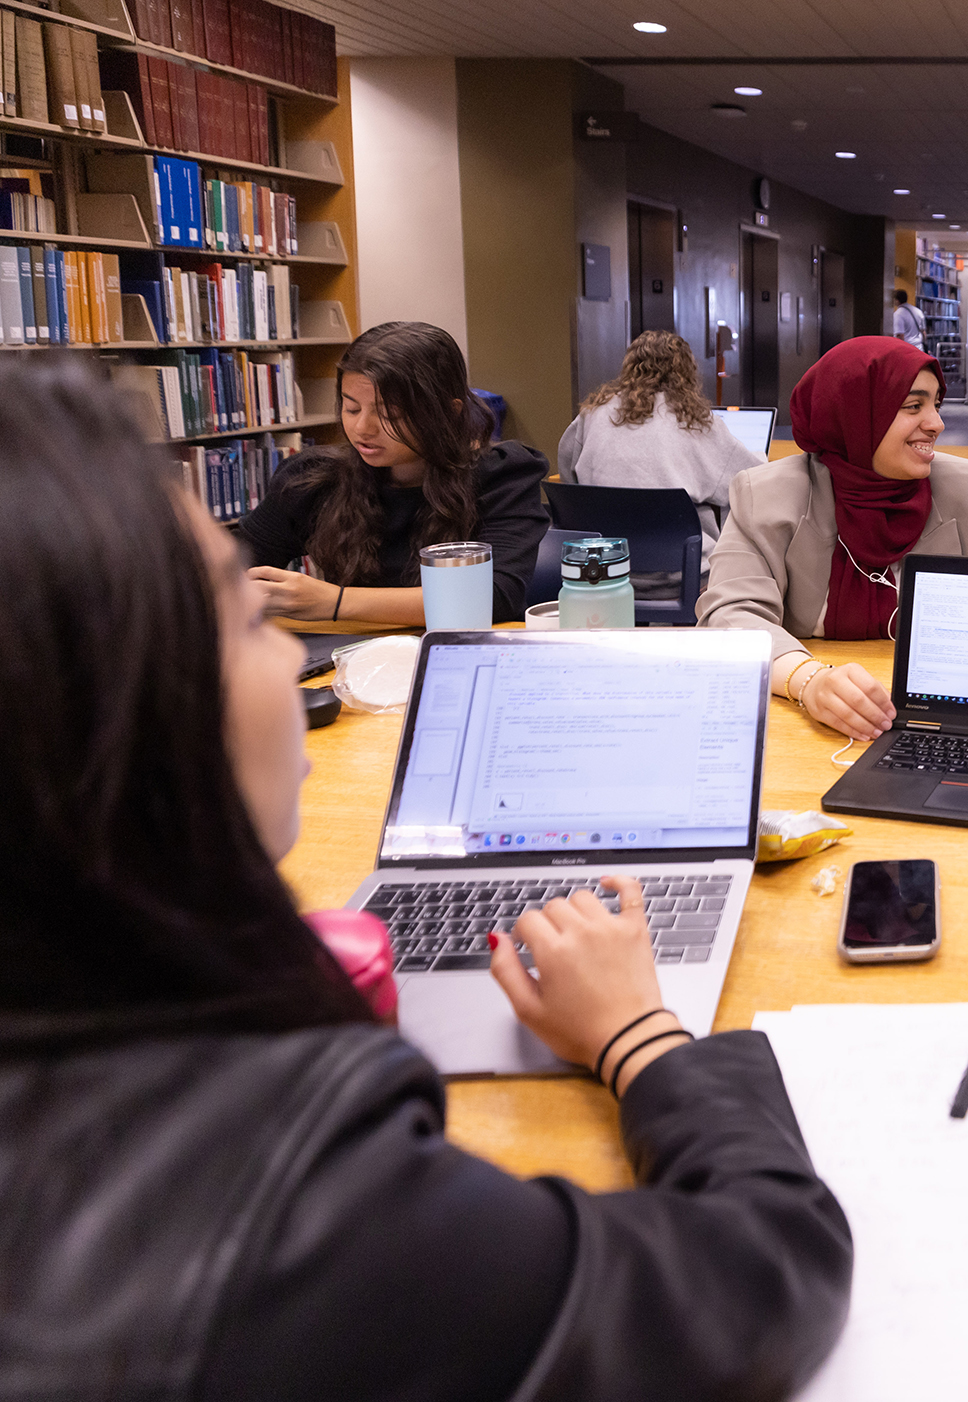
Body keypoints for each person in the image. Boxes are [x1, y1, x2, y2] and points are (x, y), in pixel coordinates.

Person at [0, 359, 851, 1397]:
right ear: (120, 703)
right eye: (250, 619)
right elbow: (755, 1279)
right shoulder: (292, 1206)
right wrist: (641, 1034)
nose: (293, 670)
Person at [698, 336, 968, 741]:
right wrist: (808, 681)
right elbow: (730, 615)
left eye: (936, 404)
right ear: (855, 415)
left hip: (951, 720)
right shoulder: (768, 495)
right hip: (806, 727)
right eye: (913, 406)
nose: (936, 423)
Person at [236, 321, 549, 624]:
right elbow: (228, 573)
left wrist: (335, 601)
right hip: (349, 663)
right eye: (352, 408)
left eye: (389, 414)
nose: (362, 428)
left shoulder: (504, 476)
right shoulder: (311, 477)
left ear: (449, 412)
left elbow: (491, 596)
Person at [556, 330, 764, 584]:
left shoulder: (593, 415)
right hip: (683, 575)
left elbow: (569, 478)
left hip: (604, 570)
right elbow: (751, 484)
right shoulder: (698, 422)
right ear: (686, 371)